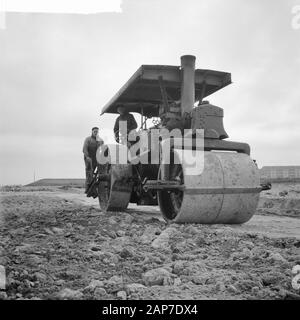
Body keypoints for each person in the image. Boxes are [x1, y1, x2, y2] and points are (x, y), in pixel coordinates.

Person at [83, 127, 104, 192]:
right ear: (92, 132)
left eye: (97, 131)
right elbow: (84, 149)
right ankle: (87, 189)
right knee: (89, 172)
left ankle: (96, 189)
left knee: (99, 173)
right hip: (89, 158)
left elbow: (103, 150)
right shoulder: (88, 139)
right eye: (94, 131)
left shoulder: (100, 140)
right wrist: (87, 157)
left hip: (97, 159)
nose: (95, 133)